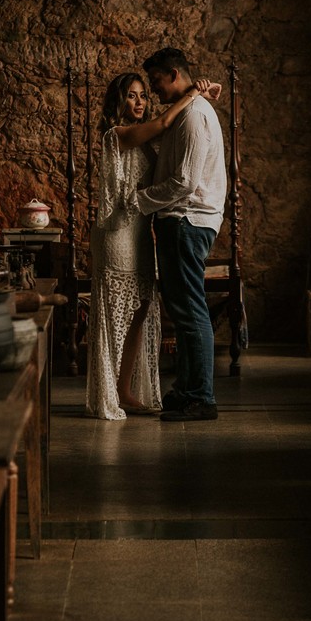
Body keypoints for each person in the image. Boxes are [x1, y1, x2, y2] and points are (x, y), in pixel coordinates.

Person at [85, 71, 220, 420]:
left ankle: (124, 388)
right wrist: (192, 94)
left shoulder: (146, 143)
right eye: (132, 96)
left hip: (142, 231)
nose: (140, 101)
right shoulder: (116, 135)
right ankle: (108, 389)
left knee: (142, 309)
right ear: (118, 101)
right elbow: (163, 123)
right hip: (116, 233)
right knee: (116, 310)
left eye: (144, 94)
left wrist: (200, 99)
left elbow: (177, 146)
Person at [131, 47, 227, 422]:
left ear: (173, 74)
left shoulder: (194, 116)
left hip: (186, 221)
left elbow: (184, 183)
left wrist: (138, 201)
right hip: (178, 221)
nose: (153, 90)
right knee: (184, 309)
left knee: (189, 311)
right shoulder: (186, 111)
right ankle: (186, 389)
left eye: (155, 81)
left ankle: (201, 397)